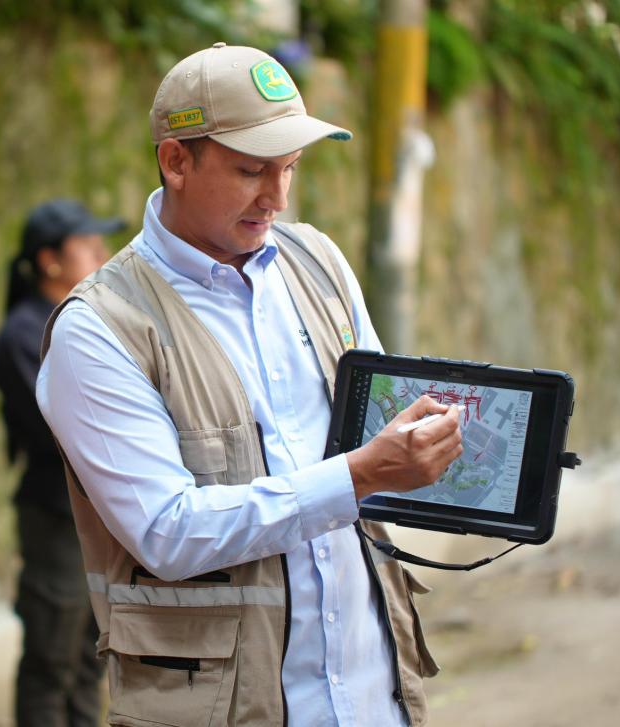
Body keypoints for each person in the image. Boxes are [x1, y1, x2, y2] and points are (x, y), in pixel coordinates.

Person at [36, 44, 462, 727]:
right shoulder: (98, 329)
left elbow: (387, 429)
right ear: (176, 161)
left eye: (290, 167)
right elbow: (167, 532)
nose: (278, 196)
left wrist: (460, 457)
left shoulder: (319, 261)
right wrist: (356, 475)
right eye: (251, 170)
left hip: (375, 696)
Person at [0, 199, 124, 726]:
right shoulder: (22, 336)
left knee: (93, 655)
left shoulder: (87, 322)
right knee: (52, 657)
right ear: (49, 260)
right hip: (57, 518)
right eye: (87, 245)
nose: (102, 255)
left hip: (99, 516)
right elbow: (67, 431)